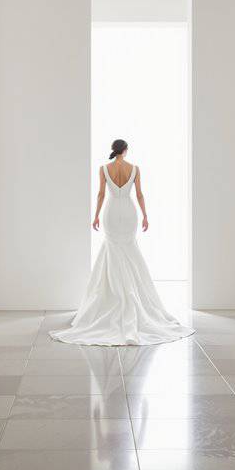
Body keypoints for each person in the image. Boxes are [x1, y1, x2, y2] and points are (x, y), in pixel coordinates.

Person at [50, 139, 194, 345]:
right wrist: (145, 216)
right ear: (125, 151)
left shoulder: (104, 169)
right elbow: (140, 194)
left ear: (113, 150)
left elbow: (101, 194)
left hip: (111, 211)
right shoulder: (134, 169)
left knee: (113, 251)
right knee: (129, 251)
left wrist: (96, 215)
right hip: (128, 212)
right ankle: (131, 296)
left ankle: (112, 298)